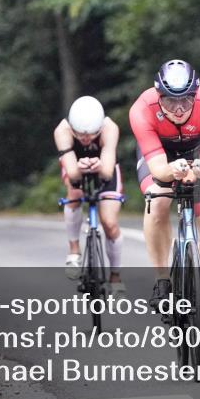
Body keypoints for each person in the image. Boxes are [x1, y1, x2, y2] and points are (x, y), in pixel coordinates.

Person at [129, 59, 200, 327]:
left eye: (186, 99)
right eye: (170, 101)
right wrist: (172, 170)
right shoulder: (142, 109)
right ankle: (162, 281)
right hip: (161, 156)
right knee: (157, 201)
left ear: (195, 93)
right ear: (158, 95)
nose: (179, 108)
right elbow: (159, 170)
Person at [53, 96, 126, 296]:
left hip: (105, 167)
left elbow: (107, 173)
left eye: (92, 135)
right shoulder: (63, 131)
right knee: (74, 192)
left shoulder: (109, 128)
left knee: (110, 223)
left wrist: (100, 166)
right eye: (80, 135)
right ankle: (74, 249)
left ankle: (115, 275)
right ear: (72, 128)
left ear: (100, 128)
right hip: (75, 167)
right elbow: (73, 175)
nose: (86, 139)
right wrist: (78, 168)